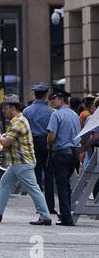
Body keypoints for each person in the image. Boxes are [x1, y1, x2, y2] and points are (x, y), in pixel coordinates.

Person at [0, 94, 52, 225]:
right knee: (5, 182)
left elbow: (6, 142)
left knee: (33, 189)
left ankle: (45, 216)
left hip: (22, 162)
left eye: (5, 109)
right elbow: (10, 138)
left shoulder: (18, 122)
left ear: (11, 108)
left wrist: (1, 138)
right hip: (18, 162)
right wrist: (5, 137)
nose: (4, 112)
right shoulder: (17, 121)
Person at [47, 88, 81, 226]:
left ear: (61, 99)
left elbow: (52, 136)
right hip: (74, 153)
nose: (51, 102)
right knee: (66, 185)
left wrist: (49, 144)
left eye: (53, 99)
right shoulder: (75, 115)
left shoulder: (56, 115)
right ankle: (66, 214)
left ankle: (66, 217)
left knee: (62, 185)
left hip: (61, 153)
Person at [22, 82, 56, 214]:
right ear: (45, 95)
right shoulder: (51, 112)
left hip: (32, 143)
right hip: (46, 142)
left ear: (35, 94)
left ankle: (39, 206)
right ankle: (49, 206)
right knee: (48, 174)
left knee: (35, 175)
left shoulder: (26, 111)